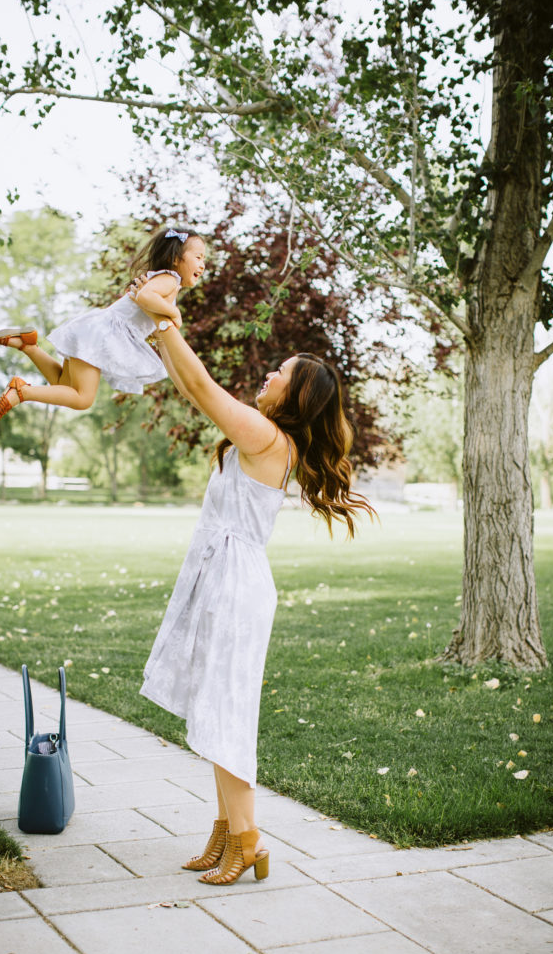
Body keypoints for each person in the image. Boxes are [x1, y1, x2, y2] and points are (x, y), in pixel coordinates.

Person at [137, 303, 375, 887]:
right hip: (225, 578)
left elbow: (202, 386)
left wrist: (165, 320)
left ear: (293, 397)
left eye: (279, 373)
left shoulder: (265, 434)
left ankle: (250, 842)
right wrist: (155, 333)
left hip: (236, 585)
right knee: (216, 710)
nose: (268, 376)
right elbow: (191, 386)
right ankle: (224, 835)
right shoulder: (264, 435)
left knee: (227, 716)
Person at [0, 227, 206, 420]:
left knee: (63, 386)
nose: (203, 265)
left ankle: (28, 346)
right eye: (198, 257)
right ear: (176, 259)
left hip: (95, 330)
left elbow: (142, 307)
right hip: (101, 335)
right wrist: (174, 312)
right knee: (82, 399)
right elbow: (145, 296)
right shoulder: (170, 279)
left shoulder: (163, 279)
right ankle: (21, 391)